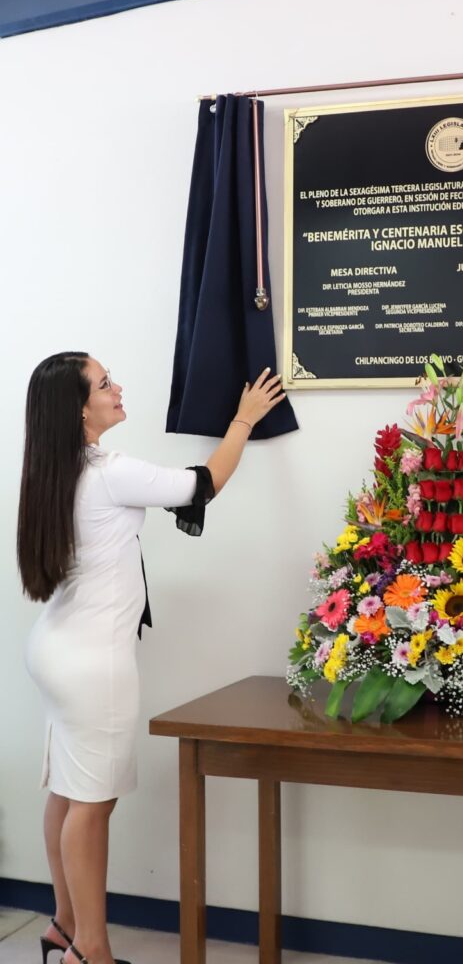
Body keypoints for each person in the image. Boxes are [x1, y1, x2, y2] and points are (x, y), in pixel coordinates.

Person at [17, 353, 286, 964]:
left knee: (66, 792)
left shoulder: (53, 471)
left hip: (55, 649)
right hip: (92, 664)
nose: (118, 388)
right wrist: (242, 421)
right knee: (92, 805)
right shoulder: (109, 472)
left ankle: (64, 926)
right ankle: (92, 951)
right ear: (79, 407)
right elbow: (202, 483)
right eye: (105, 383)